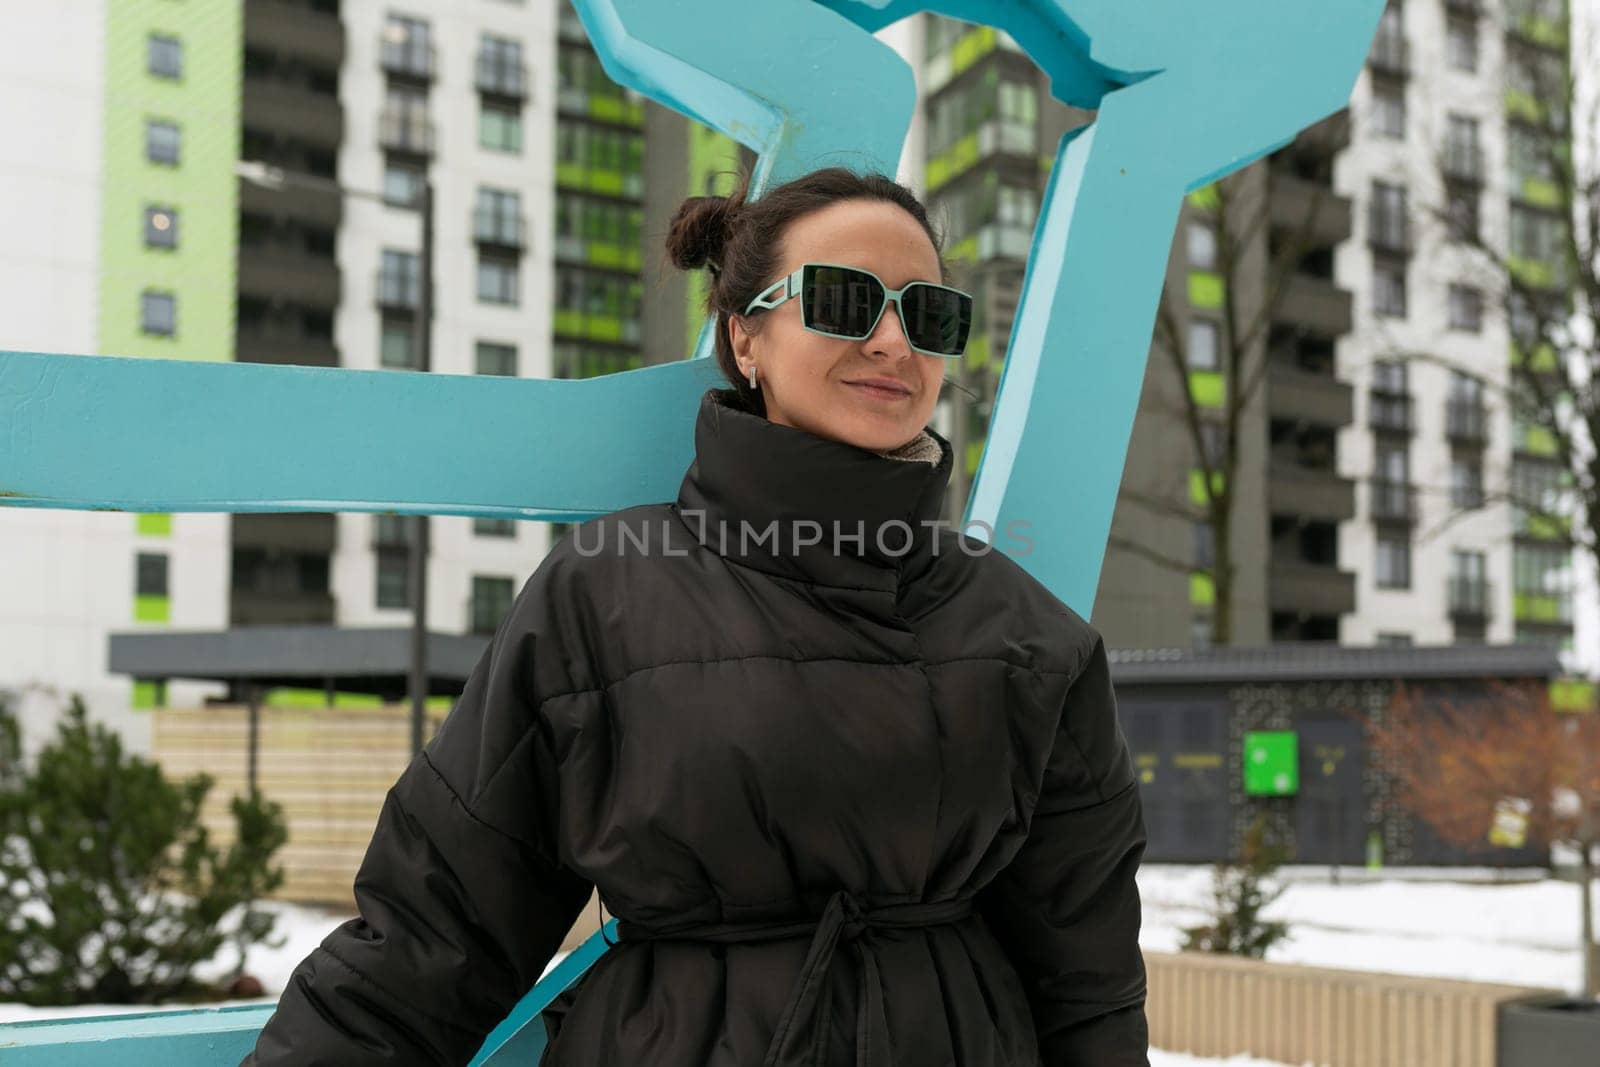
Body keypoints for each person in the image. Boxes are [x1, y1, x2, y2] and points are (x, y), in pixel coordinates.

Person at [243, 166, 1150, 1066]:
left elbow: (1089, 985)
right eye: (843, 299)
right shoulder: (605, 593)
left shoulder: (1033, 639)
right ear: (744, 337)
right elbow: (435, 936)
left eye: (929, 313)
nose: (890, 340)